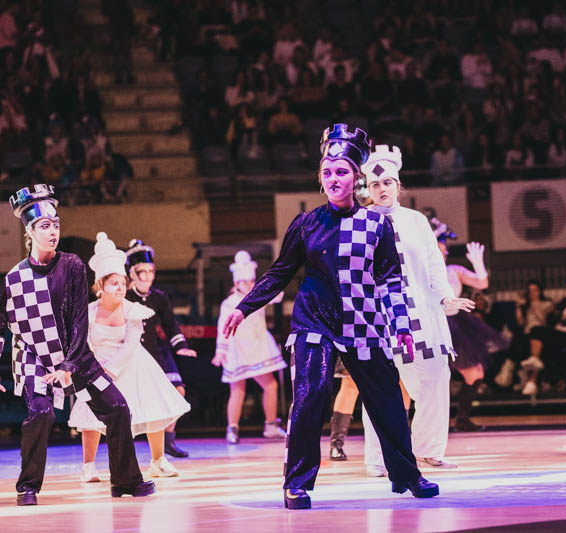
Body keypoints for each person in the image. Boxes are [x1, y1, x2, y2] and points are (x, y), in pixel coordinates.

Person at [222, 124, 438, 510]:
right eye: (327, 172)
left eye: (341, 171)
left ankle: (407, 475)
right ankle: (297, 483)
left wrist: (402, 324)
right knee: (311, 396)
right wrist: (244, 307)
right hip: (314, 322)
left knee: (388, 399)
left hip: (364, 323)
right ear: (320, 179)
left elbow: (391, 280)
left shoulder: (377, 225)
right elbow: (279, 273)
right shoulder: (306, 224)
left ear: (356, 177)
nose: (334, 178)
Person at [1, 185, 153, 505]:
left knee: (117, 408)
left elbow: (78, 322)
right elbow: (2, 325)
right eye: (45, 225)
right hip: (33, 357)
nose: (53, 231)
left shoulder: (72, 265)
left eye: (56, 224)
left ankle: (125, 481)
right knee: (41, 414)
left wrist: (69, 365)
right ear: (30, 232)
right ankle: (27, 487)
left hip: (75, 355)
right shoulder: (14, 279)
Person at [360, 145, 474, 476]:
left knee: (436, 377)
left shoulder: (416, 220)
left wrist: (445, 297)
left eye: (388, 183)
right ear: (368, 188)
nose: (382, 189)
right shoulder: (360, 221)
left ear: (398, 186)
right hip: (379, 317)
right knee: (380, 387)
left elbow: (434, 263)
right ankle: (378, 458)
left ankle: (428, 449)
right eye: (376, 184)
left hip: (422, 312)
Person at [68, 232, 191, 482]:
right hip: (97, 364)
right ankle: (88, 466)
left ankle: (158, 460)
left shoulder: (133, 310)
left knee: (152, 408)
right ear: (101, 285)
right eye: (114, 283)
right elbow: (82, 342)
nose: (121, 288)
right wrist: (93, 368)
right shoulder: (88, 312)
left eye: (123, 283)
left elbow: (131, 344)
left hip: (132, 364)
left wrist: (110, 370)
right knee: (90, 415)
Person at [126, 239, 197, 458]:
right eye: (143, 271)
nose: (148, 276)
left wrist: (181, 346)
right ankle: (127, 444)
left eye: (151, 271)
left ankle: (168, 440)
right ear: (132, 273)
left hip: (157, 351)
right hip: (132, 353)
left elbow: (170, 325)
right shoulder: (125, 297)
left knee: (178, 391)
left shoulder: (159, 297)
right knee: (132, 400)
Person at [435, 221, 508, 431]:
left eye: (444, 249)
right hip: (436, 326)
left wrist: (478, 264)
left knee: (475, 373)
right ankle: (438, 423)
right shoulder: (422, 274)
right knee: (433, 378)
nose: (444, 251)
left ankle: (462, 419)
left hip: (457, 324)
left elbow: (482, 284)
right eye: (440, 248)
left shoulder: (453, 270)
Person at [212, 251, 287, 444]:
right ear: (236, 283)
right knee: (238, 390)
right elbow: (222, 328)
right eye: (244, 282)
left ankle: (271, 425)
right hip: (238, 349)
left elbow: (277, 296)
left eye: (251, 281)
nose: (248, 285)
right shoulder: (229, 303)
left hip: (259, 346)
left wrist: (273, 281)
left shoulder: (257, 296)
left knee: (271, 385)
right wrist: (221, 351)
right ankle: (232, 429)